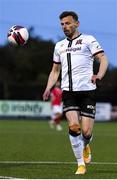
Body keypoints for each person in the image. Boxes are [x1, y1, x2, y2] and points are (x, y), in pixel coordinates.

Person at [43, 11, 108, 175]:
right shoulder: (59, 45)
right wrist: (48, 88)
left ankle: (86, 145)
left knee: (86, 132)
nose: (65, 26)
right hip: (69, 92)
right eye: (62, 24)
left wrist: (99, 74)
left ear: (77, 24)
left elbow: (103, 58)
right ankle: (80, 165)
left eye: (67, 23)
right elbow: (55, 70)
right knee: (74, 126)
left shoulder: (88, 40)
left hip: (88, 92)